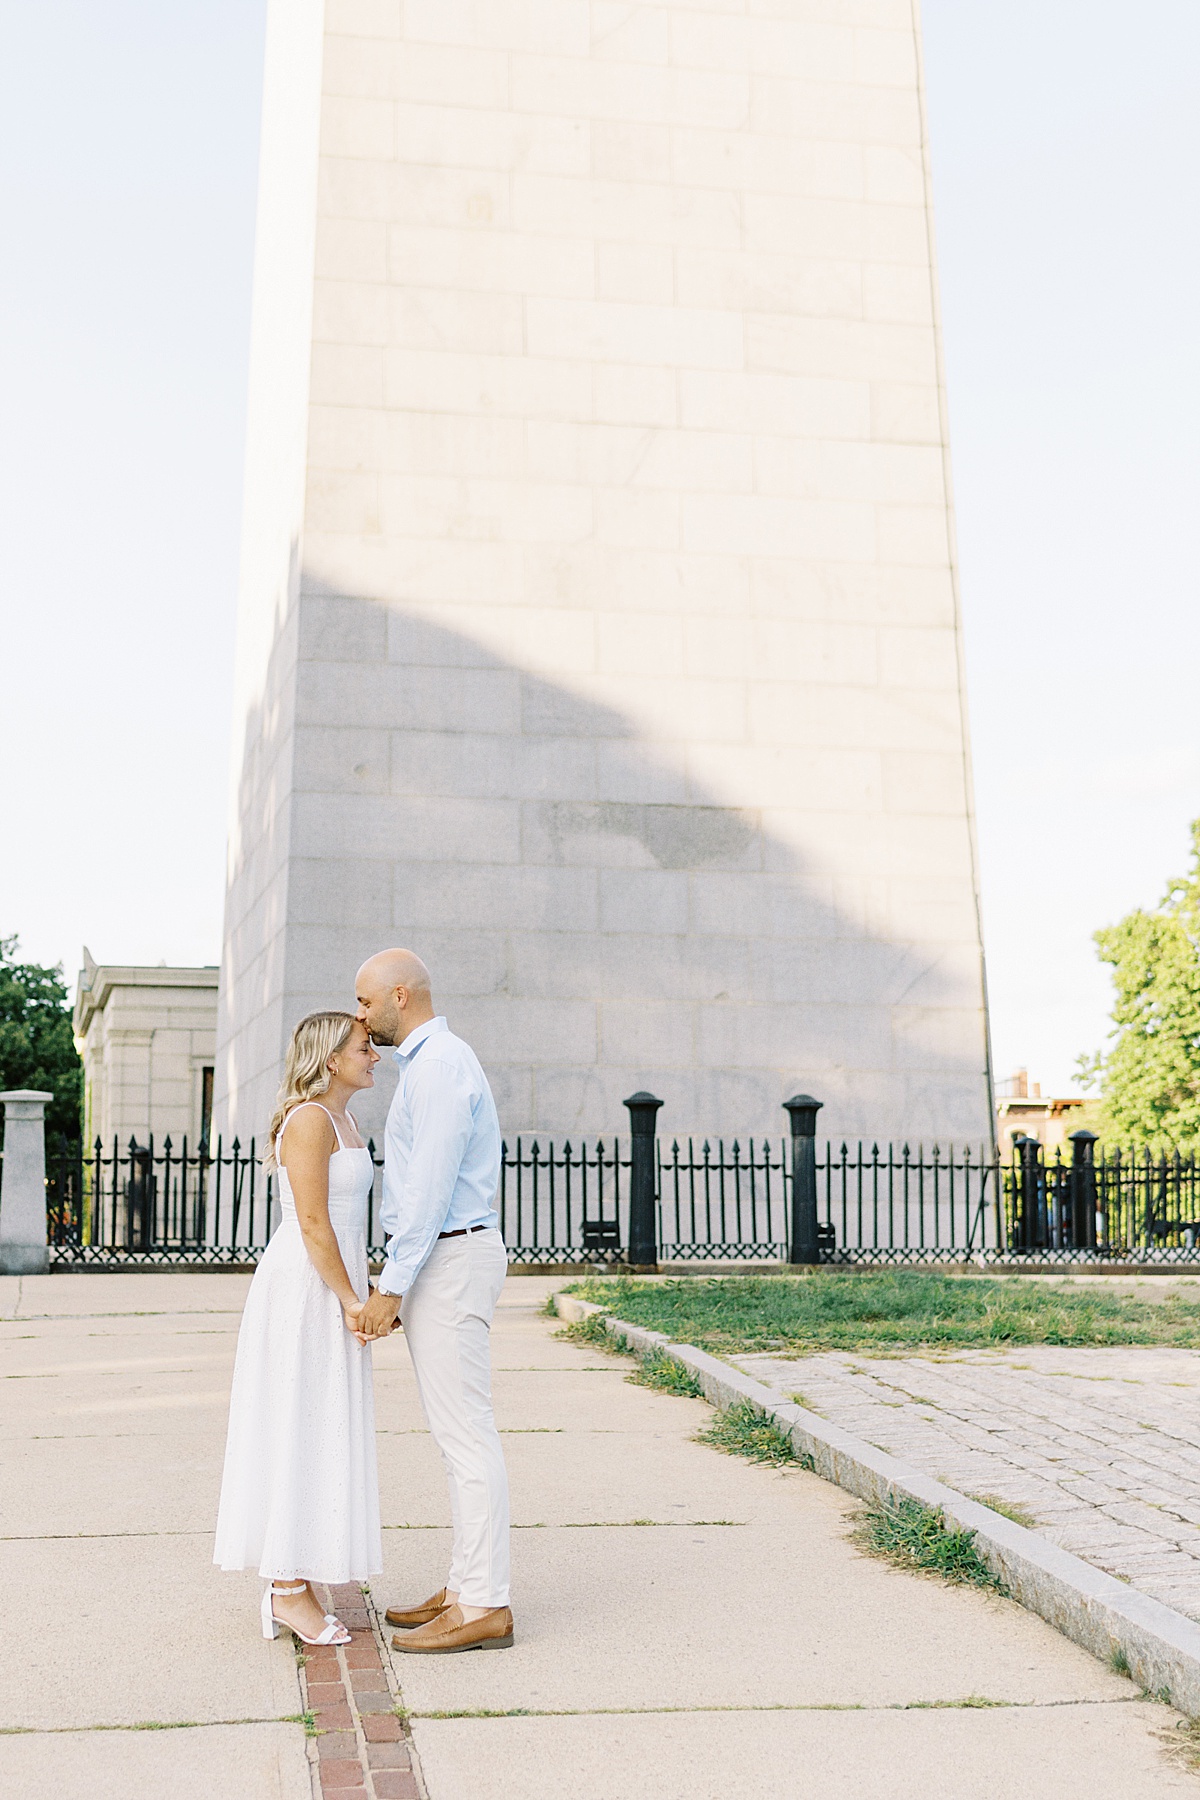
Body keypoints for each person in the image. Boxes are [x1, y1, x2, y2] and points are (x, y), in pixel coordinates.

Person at [354, 949, 513, 1653]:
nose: (360, 1016)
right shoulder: (429, 1065)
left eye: (364, 1003)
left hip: (450, 1256)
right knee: (457, 1439)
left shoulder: (442, 1066)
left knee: (466, 1437)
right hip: (442, 1257)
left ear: (397, 995)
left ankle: (483, 1604)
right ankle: (465, 1585)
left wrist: (392, 1285)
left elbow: (430, 1191)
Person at [213, 1012, 383, 1646]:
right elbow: (313, 1223)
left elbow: (348, 1221)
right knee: (295, 1420)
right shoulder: (309, 1120)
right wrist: (350, 1300)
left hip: (336, 1281)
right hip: (306, 1287)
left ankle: (297, 1575)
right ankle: (285, 1591)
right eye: (365, 1048)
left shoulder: (347, 1120)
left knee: (322, 1423)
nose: (374, 1057)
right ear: (331, 1057)